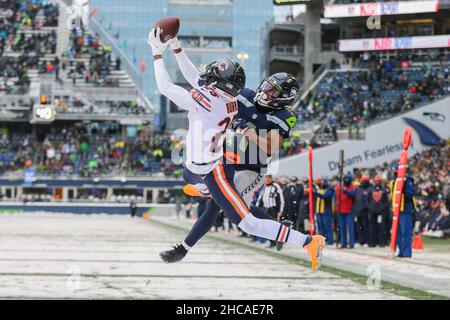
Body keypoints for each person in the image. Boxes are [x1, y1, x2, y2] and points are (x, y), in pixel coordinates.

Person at [148, 28, 324, 272]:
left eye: (274, 92)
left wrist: (159, 52)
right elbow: (197, 79)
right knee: (214, 192)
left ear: (283, 100)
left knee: (228, 210)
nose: (267, 92)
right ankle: (210, 193)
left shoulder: (280, 116)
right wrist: (176, 47)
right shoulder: (237, 98)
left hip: (250, 168)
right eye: (269, 87)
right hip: (226, 159)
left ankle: (185, 246)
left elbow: (272, 147)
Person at [389, 164, 417, 258]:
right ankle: (401, 251)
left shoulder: (407, 180)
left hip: (405, 209)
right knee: (398, 233)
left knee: (406, 232)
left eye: (394, 170)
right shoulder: (393, 182)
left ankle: (406, 252)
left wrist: (404, 188)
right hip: (396, 210)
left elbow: (412, 193)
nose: (393, 172)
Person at [257, 175, 285, 248]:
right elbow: (260, 199)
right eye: (266, 178)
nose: (267, 179)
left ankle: (278, 242)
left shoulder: (276, 186)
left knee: (275, 227)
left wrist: (280, 210)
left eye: (269, 178)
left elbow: (281, 199)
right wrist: (256, 208)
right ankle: (272, 242)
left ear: (271, 178)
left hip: (274, 210)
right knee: (268, 227)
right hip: (266, 209)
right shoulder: (264, 187)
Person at [334, 173, 356, 249]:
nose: (346, 181)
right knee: (342, 228)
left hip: (349, 210)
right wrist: (336, 206)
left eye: (348, 180)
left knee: (350, 228)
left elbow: (352, 194)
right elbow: (335, 197)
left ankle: (351, 244)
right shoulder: (338, 187)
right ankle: (343, 244)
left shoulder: (353, 187)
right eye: (345, 179)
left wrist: (344, 190)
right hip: (341, 210)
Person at [367, 176, 390, 247]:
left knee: (381, 227)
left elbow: (386, 201)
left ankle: (381, 242)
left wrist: (383, 208)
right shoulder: (370, 190)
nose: (377, 182)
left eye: (378, 181)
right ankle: (372, 242)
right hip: (372, 211)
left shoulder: (384, 191)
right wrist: (370, 207)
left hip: (381, 212)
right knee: (372, 227)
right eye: (376, 181)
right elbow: (368, 200)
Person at [314, 177, 334, 245]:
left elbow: (324, 196)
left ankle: (330, 240)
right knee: (320, 227)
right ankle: (322, 239)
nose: (322, 184)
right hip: (319, 211)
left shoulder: (329, 190)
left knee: (327, 226)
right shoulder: (319, 189)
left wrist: (315, 193)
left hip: (326, 211)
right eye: (321, 182)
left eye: (324, 182)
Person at [353, 176, 371, 246]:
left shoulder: (369, 189)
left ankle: (366, 240)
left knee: (365, 227)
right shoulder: (357, 190)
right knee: (359, 227)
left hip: (365, 212)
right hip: (358, 211)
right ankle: (361, 241)